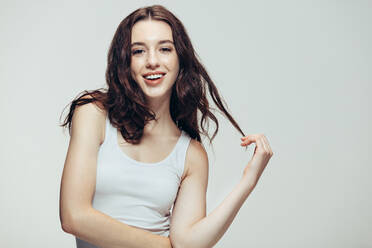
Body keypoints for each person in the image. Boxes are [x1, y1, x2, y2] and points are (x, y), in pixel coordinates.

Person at [59, 4, 273, 248]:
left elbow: (189, 243)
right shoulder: (93, 114)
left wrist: (249, 181)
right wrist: (163, 246)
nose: (152, 61)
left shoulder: (190, 154)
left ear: (180, 59)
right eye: (138, 51)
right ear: (125, 62)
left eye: (164, 49)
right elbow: (74, 217)